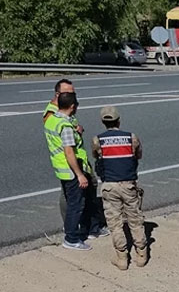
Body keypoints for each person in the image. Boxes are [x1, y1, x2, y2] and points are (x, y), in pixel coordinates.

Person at [42, 79, 107, 239]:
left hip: (79, 161)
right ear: (58, 95)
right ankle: (72, 230)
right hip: (70, 166)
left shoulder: (65, 114)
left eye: (73, 93)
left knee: (89, 192)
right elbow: (66, 146)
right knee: (73, 200)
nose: (73, 97)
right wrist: (78, 173)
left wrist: (78, 130)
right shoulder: (53, 114)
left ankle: (92, 227)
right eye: (69, 94)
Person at [92, 106, 148, 270]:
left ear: (103, 122)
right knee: (135, 219)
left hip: (110, 185)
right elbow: (139, 155)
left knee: (115, 223)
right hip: (129, 184)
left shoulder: (98, 140)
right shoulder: (131, 137)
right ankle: (141, 254)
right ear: (119, 120)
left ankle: (122, 258)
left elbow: (97, 157)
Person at [44, 92, 93, 250]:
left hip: (60, 168)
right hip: (70, 170)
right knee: (76, 204)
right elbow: (69, 151)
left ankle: (72, 233)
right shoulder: (64, 126)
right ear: (72, 106)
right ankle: (71, 238)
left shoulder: (52, 120)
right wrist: (80, 174)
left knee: (72, 201)